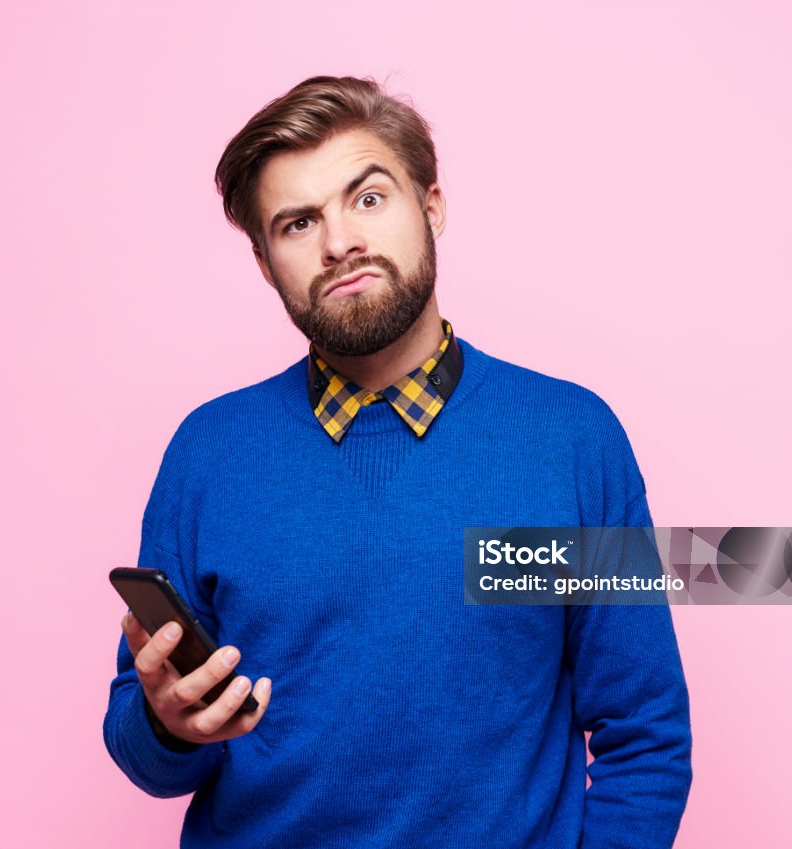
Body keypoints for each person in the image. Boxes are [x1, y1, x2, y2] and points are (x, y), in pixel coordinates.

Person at [103, 75, 692, 849]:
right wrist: (169, 723)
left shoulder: (571, 440)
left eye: (368, 199)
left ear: (432, 207)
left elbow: (645, 733)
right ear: (264, 261)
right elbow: (146, 749)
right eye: (297, 222)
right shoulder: (208, 453)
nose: (339, 241)